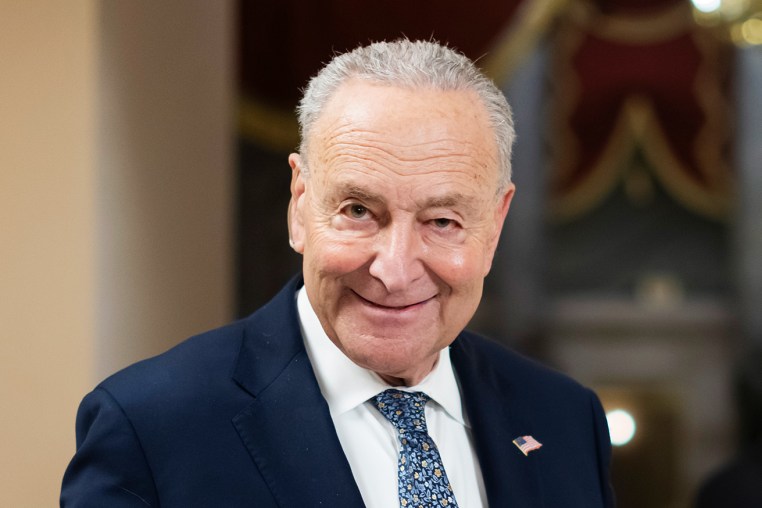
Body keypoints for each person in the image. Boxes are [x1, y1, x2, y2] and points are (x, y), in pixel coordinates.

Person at [61, 39, 614, 507]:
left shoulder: (565, 419)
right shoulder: (150, 427)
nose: (395, 271)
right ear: (300, 205)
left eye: (442, 220)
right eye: (357, 211)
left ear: (494, 226)